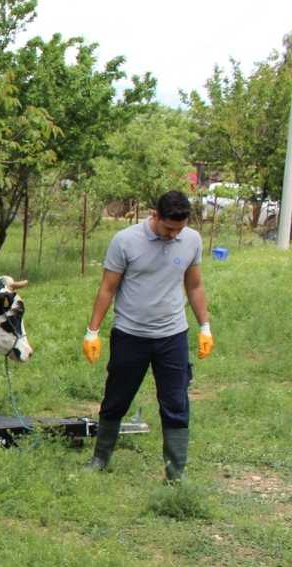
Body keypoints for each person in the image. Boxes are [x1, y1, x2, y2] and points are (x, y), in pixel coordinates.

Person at [82, 190, 213, 482]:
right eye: (169, 228)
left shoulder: (191, 240)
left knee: (176, 402)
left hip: (172, 335)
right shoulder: (125, 241)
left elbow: (194, 286)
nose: (173, 235)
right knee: (116, 398)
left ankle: (175, 473)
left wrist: (205, 326)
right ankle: (100, 459)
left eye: (179, 229)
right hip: (130, 334)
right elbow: (107, 288)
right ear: (155, 215)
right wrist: (93, 331)